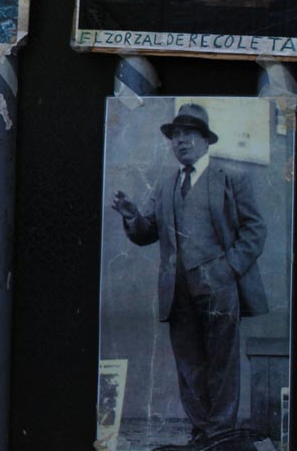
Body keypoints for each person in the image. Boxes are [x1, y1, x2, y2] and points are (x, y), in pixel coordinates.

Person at [110, 103, 267, 447]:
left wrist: (228, 268)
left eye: (189, 135)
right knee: (190, 365)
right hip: (177, 291)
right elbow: (145, 233)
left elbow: (255, 230)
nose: (180, 142)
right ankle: (202, 432)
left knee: (222, 363)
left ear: (205, 141)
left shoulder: (231, 178)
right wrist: (132, 215)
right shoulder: (165, 185)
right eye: (175, 136)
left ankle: (221, 434)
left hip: (220, 287)